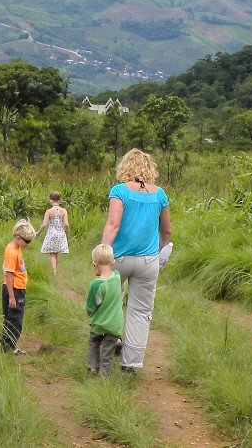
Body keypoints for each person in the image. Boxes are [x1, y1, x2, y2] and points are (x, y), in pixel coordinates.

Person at [99, 149, 171, 373]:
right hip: (148, 261)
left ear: (126, 167)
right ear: (149, 168)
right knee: (140, 311)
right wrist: (161, 253)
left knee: (109, 304)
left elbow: (113, 224)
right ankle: (131, 362)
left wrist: (102, 254)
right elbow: (166, 231)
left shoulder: (119, 191)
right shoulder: (160, 194)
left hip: (118, 258)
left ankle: (106, 352)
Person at [86, 244, 124, 377]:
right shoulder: (117, 277)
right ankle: (104, 376)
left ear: (95, 263)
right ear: (113, 261)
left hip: (99, 324)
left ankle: (93, 368)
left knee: (94, 343)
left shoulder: (96, 284)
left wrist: (90, 315)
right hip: (115, 325)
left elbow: (90, 308)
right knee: (107, 352)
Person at [1, 219, 36, 354]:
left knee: (11, 319)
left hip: (16, 289)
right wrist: (12, 297)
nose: (28, 244)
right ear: (18, 237)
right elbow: (8, 275)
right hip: (14, 290)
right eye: (27, 241)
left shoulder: (16, 248)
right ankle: (9, 348)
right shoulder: (12, 252)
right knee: (15, 320)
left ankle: (8, 347)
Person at [37, 191, 71, 277]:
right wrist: (68, 231)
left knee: (52, 253)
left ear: (50, 200)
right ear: (59, 200)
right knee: (57, 253)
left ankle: (54, 272)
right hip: (61, 233)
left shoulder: (49, 211)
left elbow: (44, 224)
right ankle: (56, 271)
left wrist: (38, 232)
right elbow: (66, 224)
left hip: (51, 233)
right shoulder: (64, 211)